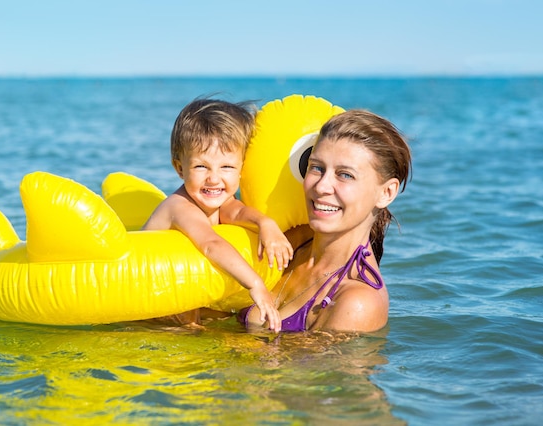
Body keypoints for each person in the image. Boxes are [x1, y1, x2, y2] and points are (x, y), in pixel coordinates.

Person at [239, 109, 412, 333]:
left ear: (386, 193)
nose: (321, 186)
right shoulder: (287, 242)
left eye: (345, 175)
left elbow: (293, 369)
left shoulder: (356, 302)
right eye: (316, 168)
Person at [143, 98, 294, 332]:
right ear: (180, 168)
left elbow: (240, 212)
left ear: (241, 169)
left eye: (227, 167)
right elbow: (211, 244)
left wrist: (266, 224)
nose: (214, 179)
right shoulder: (179, 206)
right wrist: (256, 285)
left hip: (184, 297)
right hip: (149, 300)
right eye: (201, 167)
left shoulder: (220, 202)